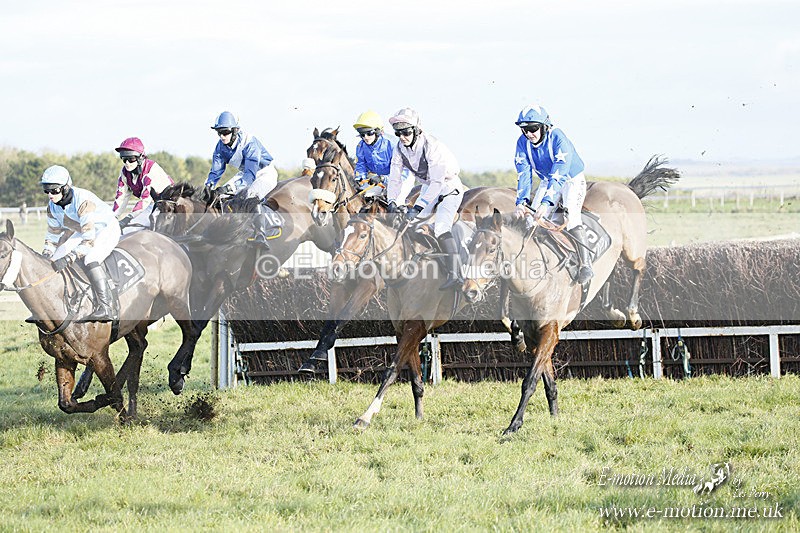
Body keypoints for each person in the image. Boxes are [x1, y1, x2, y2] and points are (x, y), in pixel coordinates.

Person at [386, 107, 465, 290]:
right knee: (411, 225)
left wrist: (417, 207)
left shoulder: (432, 146)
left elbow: (437, 182)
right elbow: (395, 178)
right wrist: (392, 201)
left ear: (416, 130)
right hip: (428, 186)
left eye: (406, 132)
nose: (402, 137)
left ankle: (456, 274)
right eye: (398, 133)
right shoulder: (399, 149)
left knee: (441, 227)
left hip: (448, 186)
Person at [513, 104, 593, 283]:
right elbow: (524, 174)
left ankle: (586, 264)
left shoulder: (558, 138)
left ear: (544, 126)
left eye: (533, 128)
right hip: (547, 180)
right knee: (531, 222)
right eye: (524, 129)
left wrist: (545, 203)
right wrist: (521, 202)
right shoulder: (522, 143)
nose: (529, 134)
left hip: (570, 179)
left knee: (571, 218)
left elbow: (560, 174)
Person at [41, 165, 121, 321]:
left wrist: (69, 258)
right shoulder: (51, 207)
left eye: (54, 190)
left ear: (65, 188)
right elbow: (53, 235)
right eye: (46, 190)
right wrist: (46, 254)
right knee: (54, 259)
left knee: (90, 258)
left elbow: (88, 241)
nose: (50, 195)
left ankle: (106, 308)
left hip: (106, 228)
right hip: (83, 230)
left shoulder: (83, 201)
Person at [205, 111, 278, 245]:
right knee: (220, 197)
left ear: (235, 131)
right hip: (244, 174)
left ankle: (260, 234)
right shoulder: (220, 147)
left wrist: (228, 188)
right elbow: (215, 172)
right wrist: (208, 188)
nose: (222, 136)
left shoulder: (249, 143)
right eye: (219, 132)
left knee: (250, 196)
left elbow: (249, 177)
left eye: (225, 132)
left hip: (264, 173)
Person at [112, 137, 174, 233]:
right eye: (124, 159)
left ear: (140, 157)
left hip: (168, 204)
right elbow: (121, 197)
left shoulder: (151, 170)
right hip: (153, 204)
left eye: (131, 159)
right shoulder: (125, 172)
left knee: (134, 227)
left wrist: (128, 218)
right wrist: (113, 218)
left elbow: (145, 199)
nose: (127, 163)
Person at [352, 110, 394, 197]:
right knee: (363, 196)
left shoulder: (392, 144)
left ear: (378, 132)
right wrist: (360, 177)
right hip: (378, 179)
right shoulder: (361, 146)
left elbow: (402, 171)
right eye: (362, 134)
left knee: (395, 201)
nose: (366, 137)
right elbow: (361, 164)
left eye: (369, 133)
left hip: (400, 179)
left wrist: (383, 178)